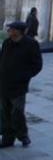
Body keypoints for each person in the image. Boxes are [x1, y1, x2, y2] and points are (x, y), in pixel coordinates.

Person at [0, 20, 43, 148]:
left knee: (17, 112)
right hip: (3, 83)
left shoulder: (31, 44)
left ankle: (23, 136)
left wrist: (24, 76)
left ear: (18, 31)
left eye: (11, 29)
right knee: (4, 112)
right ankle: (7, 139)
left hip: (19, 85)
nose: (8, 31)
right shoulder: (7, 43)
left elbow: (37, 65)